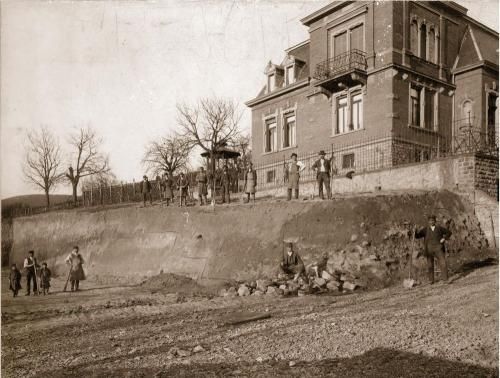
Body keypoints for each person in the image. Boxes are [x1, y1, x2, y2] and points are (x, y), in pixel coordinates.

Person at [415, 215, 452, 284]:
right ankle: (431, 280)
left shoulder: (439, 228)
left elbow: (449, 232)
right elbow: (417, 236)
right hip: (429, 250)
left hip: (439, 248)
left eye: (433, 220)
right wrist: (415, 231)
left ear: (435, 221)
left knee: (443, 263)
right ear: (428, 221)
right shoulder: (425, 230)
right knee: (430, 265)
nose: (431, 222)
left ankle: (445, 279)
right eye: (430, 220)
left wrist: (444, 238)